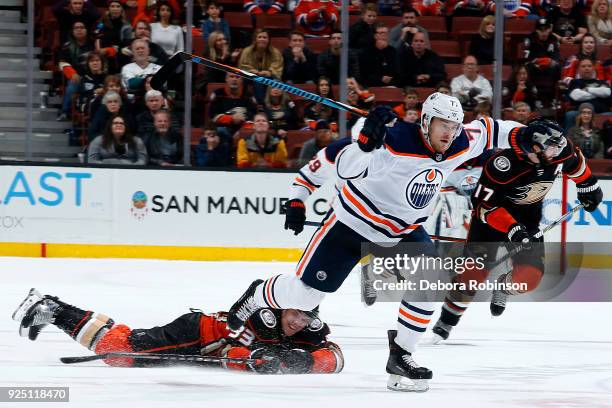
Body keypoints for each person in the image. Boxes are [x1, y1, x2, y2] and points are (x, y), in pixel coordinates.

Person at [226, 93, 547, 392]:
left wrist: (529, 133)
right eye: (442, 125)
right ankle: (258, 293)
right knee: (305, 297)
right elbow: (335, 162)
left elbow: (496, 129)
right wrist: (307, 190)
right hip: (350, 225)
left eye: (454, 126)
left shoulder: (462, 142)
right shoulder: (390, 139)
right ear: (425, 121)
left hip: (403, 230)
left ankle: (401, 355)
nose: (449, 133)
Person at [431, 118, 602, 341]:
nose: (557, 150)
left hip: (528, 219)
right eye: (551, 147)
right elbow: (484, 207)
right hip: (490, 221)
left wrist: (589, 185)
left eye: (558, 145)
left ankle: (503, 287)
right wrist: (513, 229)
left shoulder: (559, 150)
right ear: (533, 148)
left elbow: (575, 162)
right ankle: (447, 319)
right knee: (471, 277)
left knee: (529, 278)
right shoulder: (502, 164)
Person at [12, 288, 343, 375]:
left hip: (201, 350)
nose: (299, 321)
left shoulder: (309, 329)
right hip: (196, 334)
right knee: (120, 349)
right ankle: (50, 307)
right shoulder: (262, 318)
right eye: (295, 313)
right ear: (283, 307)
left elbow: (337, 357)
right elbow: (233, 353)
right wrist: (254, 359)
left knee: (123, 355)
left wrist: (310, 362)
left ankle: (51, 311)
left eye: (306, 316)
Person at [57, 21, 96, 121]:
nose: (79, 30)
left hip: (94, 75)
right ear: (73, 31)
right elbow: (62, 63)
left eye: (82, 27)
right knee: (73, 84)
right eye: (76, 28)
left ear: (86, 30)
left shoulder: (93, 44)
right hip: (77, 77)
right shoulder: (67, 46)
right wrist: (72, 73)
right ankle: (65, 112)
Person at [208, 72, 258, 142]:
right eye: (231, 76)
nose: (234, 79)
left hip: (243, 128)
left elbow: (253, 116)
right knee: (220, 131)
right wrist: (231, 119)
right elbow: (213, 115)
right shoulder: (218, 94)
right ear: (226, 79)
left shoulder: (249, 95)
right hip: (223, 129)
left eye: (237, 77)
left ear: (242, 80)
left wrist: (241, 131)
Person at [523, 18, 561, 108]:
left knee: (557, 67)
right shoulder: (529, 39)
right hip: (534, 68)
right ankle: (534, 96)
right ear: (536, 30)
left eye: (546, 29)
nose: (543, 32)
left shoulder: (553, 39)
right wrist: (544, 61)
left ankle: (553, 99)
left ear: (549, 29)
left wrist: (542, 62)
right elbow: (527, 59)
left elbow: (555, 59)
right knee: (527, 68)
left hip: (548, 69)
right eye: (541, 30)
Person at [238, 29, 284, 102]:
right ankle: (256, 103)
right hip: (249, 77)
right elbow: (242, 66)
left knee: (261, 79)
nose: (262, 39)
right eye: (259, 37)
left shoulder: (275, 52)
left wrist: (269, 72)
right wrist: (251, 70)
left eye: (264, 37)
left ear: (268, 40)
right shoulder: (247, 51)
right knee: (257, 79)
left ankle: (263, 104)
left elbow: (277, 66)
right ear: (255, 39)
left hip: (268, 77)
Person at [94, 0, 133, 73]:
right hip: (102, 57)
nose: (115, 9)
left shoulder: (126, 26)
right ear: (108, 9)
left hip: (119, 58)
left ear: (121, 9)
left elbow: (127, 46)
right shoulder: (102, 23)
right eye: (112, 6)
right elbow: (96, 34)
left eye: (118, 6)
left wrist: (109, 50)